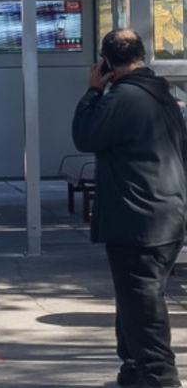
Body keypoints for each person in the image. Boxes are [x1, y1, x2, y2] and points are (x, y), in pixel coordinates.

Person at [72, 29, 187, 388]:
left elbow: (84, 135)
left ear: (106, 61)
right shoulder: (161, 93)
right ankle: (135, 367)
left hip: (138, 217)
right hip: (166, 212)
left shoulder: (120, 98)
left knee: (142, 301)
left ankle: (159, 376)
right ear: (142, 54)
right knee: (135, 296)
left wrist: (93, 89)